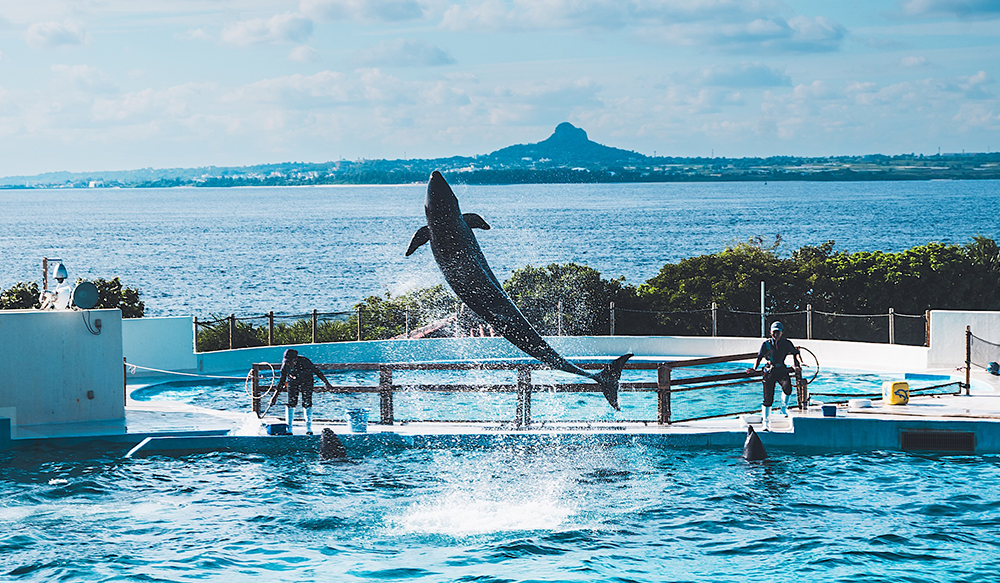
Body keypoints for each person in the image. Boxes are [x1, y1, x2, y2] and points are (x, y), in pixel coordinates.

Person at [747, 321, 803, 430]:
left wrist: (800, 362)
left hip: (781, 369)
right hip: (769, 372)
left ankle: (783, 408)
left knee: (788, 388)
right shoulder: (766, 344)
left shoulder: (786, 343)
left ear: (781, 332)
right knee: (768, 399)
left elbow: (795, 353)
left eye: (778, 332)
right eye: (774, 332)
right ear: (771, 332)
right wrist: (754, 368)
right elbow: (759, 357)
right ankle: (766, 423)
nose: (776, 334)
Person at [270, 349, 333, 435]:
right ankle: (289, 428)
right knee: (291, 402)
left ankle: (308, 427)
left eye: (289, 361)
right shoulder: (285, 366)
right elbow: (281, 382)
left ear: (295, 359)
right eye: (286, 361)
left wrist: (327, 383)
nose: (288, 363)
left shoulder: (305, 361)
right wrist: (274, 397)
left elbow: (317, 372)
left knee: (307, 402)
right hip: (292, 381)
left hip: (307, 380)